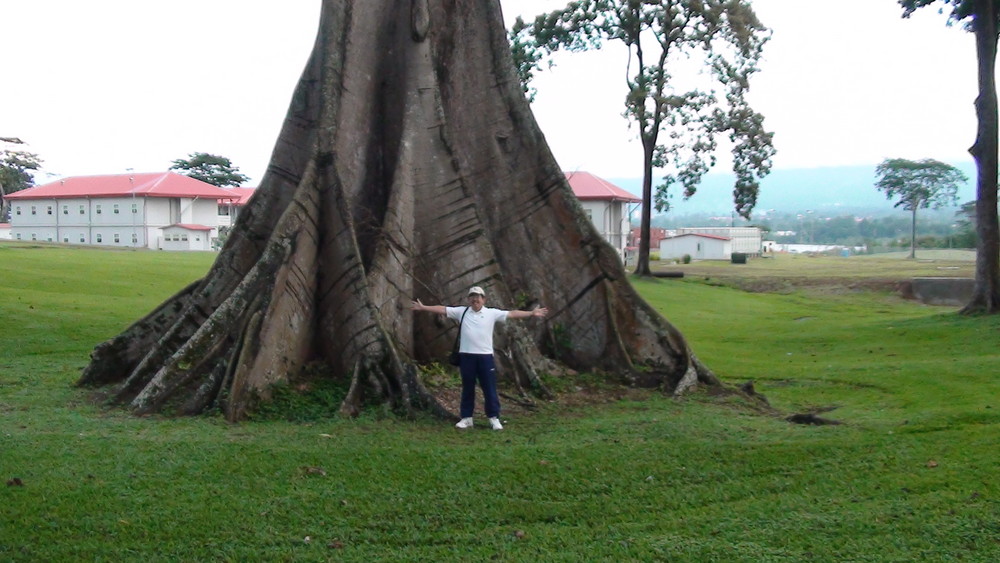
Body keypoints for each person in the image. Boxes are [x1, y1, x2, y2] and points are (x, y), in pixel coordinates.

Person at [411, 286, 548, 430]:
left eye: (478, 297)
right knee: (468, 387)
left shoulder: (491, 313)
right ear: (469, 299)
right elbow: (443, 309)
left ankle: (493, 417)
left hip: (485, 356)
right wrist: (424, 307)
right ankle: (466, 418)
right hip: (466, 356)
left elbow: (512, 314)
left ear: (484, 299)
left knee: (489, 387)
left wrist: (532, 313)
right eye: (473, 296)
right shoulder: (462, 311)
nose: (475, 299)